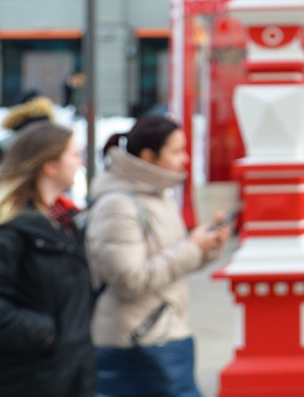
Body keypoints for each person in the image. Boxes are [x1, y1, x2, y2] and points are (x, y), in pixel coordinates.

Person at [85, 115, 231, 397]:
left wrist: (206, 245)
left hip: (162, 334)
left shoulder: (156, 195)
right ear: (148, 156)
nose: (185, 158)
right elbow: (130, 279)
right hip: (137, 342)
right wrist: (192, 248)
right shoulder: (118, 203)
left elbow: (169, 259)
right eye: (176, 151)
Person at [0, 122, 95, 396]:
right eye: (74, 154)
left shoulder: (61, 222)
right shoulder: (8, 229)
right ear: (49, 166)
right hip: (25, 380)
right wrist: (44, 333)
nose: (80, 162)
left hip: (63, 376)